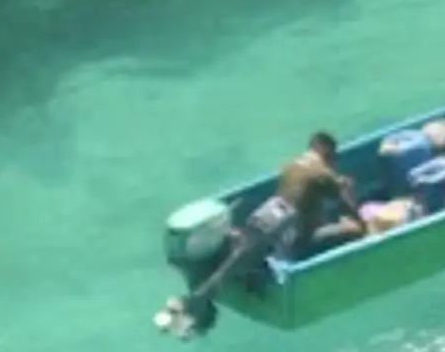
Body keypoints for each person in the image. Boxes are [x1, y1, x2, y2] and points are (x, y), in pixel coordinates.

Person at [156, 131, 364, 339]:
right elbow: (348, 205)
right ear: (328, 152)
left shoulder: (290, 164)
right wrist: (357, 214)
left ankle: (203, 300)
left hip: (268, 212)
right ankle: (195, 302)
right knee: (353, 230)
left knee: (241, 254)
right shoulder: (322, 173)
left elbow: (302, 198)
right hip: (283, 225)